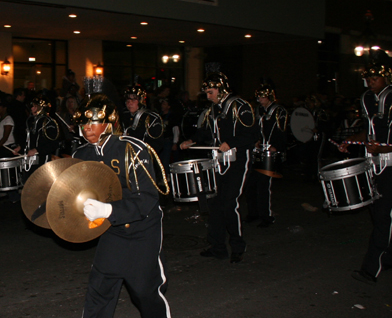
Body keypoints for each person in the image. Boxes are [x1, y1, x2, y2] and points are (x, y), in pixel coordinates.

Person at [51, 94, 177, 318]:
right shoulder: (82, 154)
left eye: (93, 121)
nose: (87, 127)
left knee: (145, 293)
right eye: (83, 122)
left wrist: (109, 210)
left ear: (109, 122)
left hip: (142, 230)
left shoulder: (132, 149)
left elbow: (148, 199)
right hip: (111, 232)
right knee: (98, 295)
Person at [339, 59, 392, 284]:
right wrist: (351, 141)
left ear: (386, 78)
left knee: (385, 213)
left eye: (375, 78)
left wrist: (384, 148)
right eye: (368, 78)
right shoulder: (366, 99)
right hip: (372, 162)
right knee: (376, 212)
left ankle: (371, 268)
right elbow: (369, 131)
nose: (371, 82)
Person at [180, 73, 257, 263]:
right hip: (218, 162)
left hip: (238, 161)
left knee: (229, 203)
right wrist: (191, 140)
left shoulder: (240, 106)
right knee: (214, 203)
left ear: (221, 90)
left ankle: (238, 246)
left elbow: (252, 134)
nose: (208, 96)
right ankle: (218, 247)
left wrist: (231, 143)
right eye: (206, 93)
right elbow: (206, 132)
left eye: (211, 92)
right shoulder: (212, 110)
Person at [245, 83, 288, 228]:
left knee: (264, 185)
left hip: (270, 151)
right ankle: (253, 213)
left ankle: (266, 216)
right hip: (258, 150)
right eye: (258, 97)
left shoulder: (279, 111)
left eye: (262, 97)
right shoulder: (258, 110)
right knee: (250, 184)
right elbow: (256, 128)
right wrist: (256, 140)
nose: (259, 99)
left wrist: (277, 147)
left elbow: (281, 131)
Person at [18, 96, 60, 179]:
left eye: (35, 106)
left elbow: (53, 144)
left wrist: (37, 150)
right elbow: (29, 140)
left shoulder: (48, 123)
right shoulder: (30, 121)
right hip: (30, 160)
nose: (32, 108)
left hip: (43, 161)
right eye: (32, 106)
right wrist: (21, 147)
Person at [121, 85, 164, 155]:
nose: (130, 103)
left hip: (143, 156)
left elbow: (156, 144)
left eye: (133, 100)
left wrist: (142, 154)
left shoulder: (152, 118)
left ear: (141, 101)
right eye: (128, 100)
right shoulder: (123, 116)